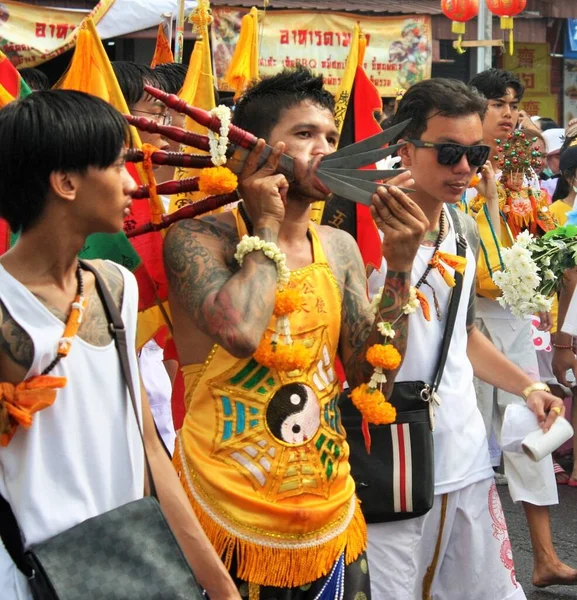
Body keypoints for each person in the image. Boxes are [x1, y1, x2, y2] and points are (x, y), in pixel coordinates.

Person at [163, 66, 427, 597]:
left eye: (331, 136)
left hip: (327, 501)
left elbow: (369, 372)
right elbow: (237, 330)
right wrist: (265, 227)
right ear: (255, 152)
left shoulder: (340, 246)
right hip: (224, 504)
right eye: (305, 135)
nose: (325, 149)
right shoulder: (199, 235)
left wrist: (398, 266)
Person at [0, 90, 238, 599]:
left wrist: (218, 584)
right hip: (32, 578)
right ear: (65, 183)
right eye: (116, 165)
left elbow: (149, 445)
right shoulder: (5, 308)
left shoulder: (114, 287)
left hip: (128, 565)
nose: (133, 183)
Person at [366, 77, 566, 600]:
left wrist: (528, 388)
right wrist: (396, 262)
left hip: (463, 448)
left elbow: (465, 333)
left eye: (474, 154)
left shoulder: (462, 226)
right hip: (387, 453)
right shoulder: (362, 227)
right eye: (450, 152)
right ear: (404, 149)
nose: (464, 169)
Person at [467, 68, 577, 588]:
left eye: (514, 103)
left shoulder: (524, 172)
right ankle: (464, 565)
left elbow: (535, 241)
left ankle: (544, 557)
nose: (509, 113)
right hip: (463, 322)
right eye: (498, 104)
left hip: (510, 318)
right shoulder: (453, 167)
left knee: (528, 433)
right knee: (459, 444)